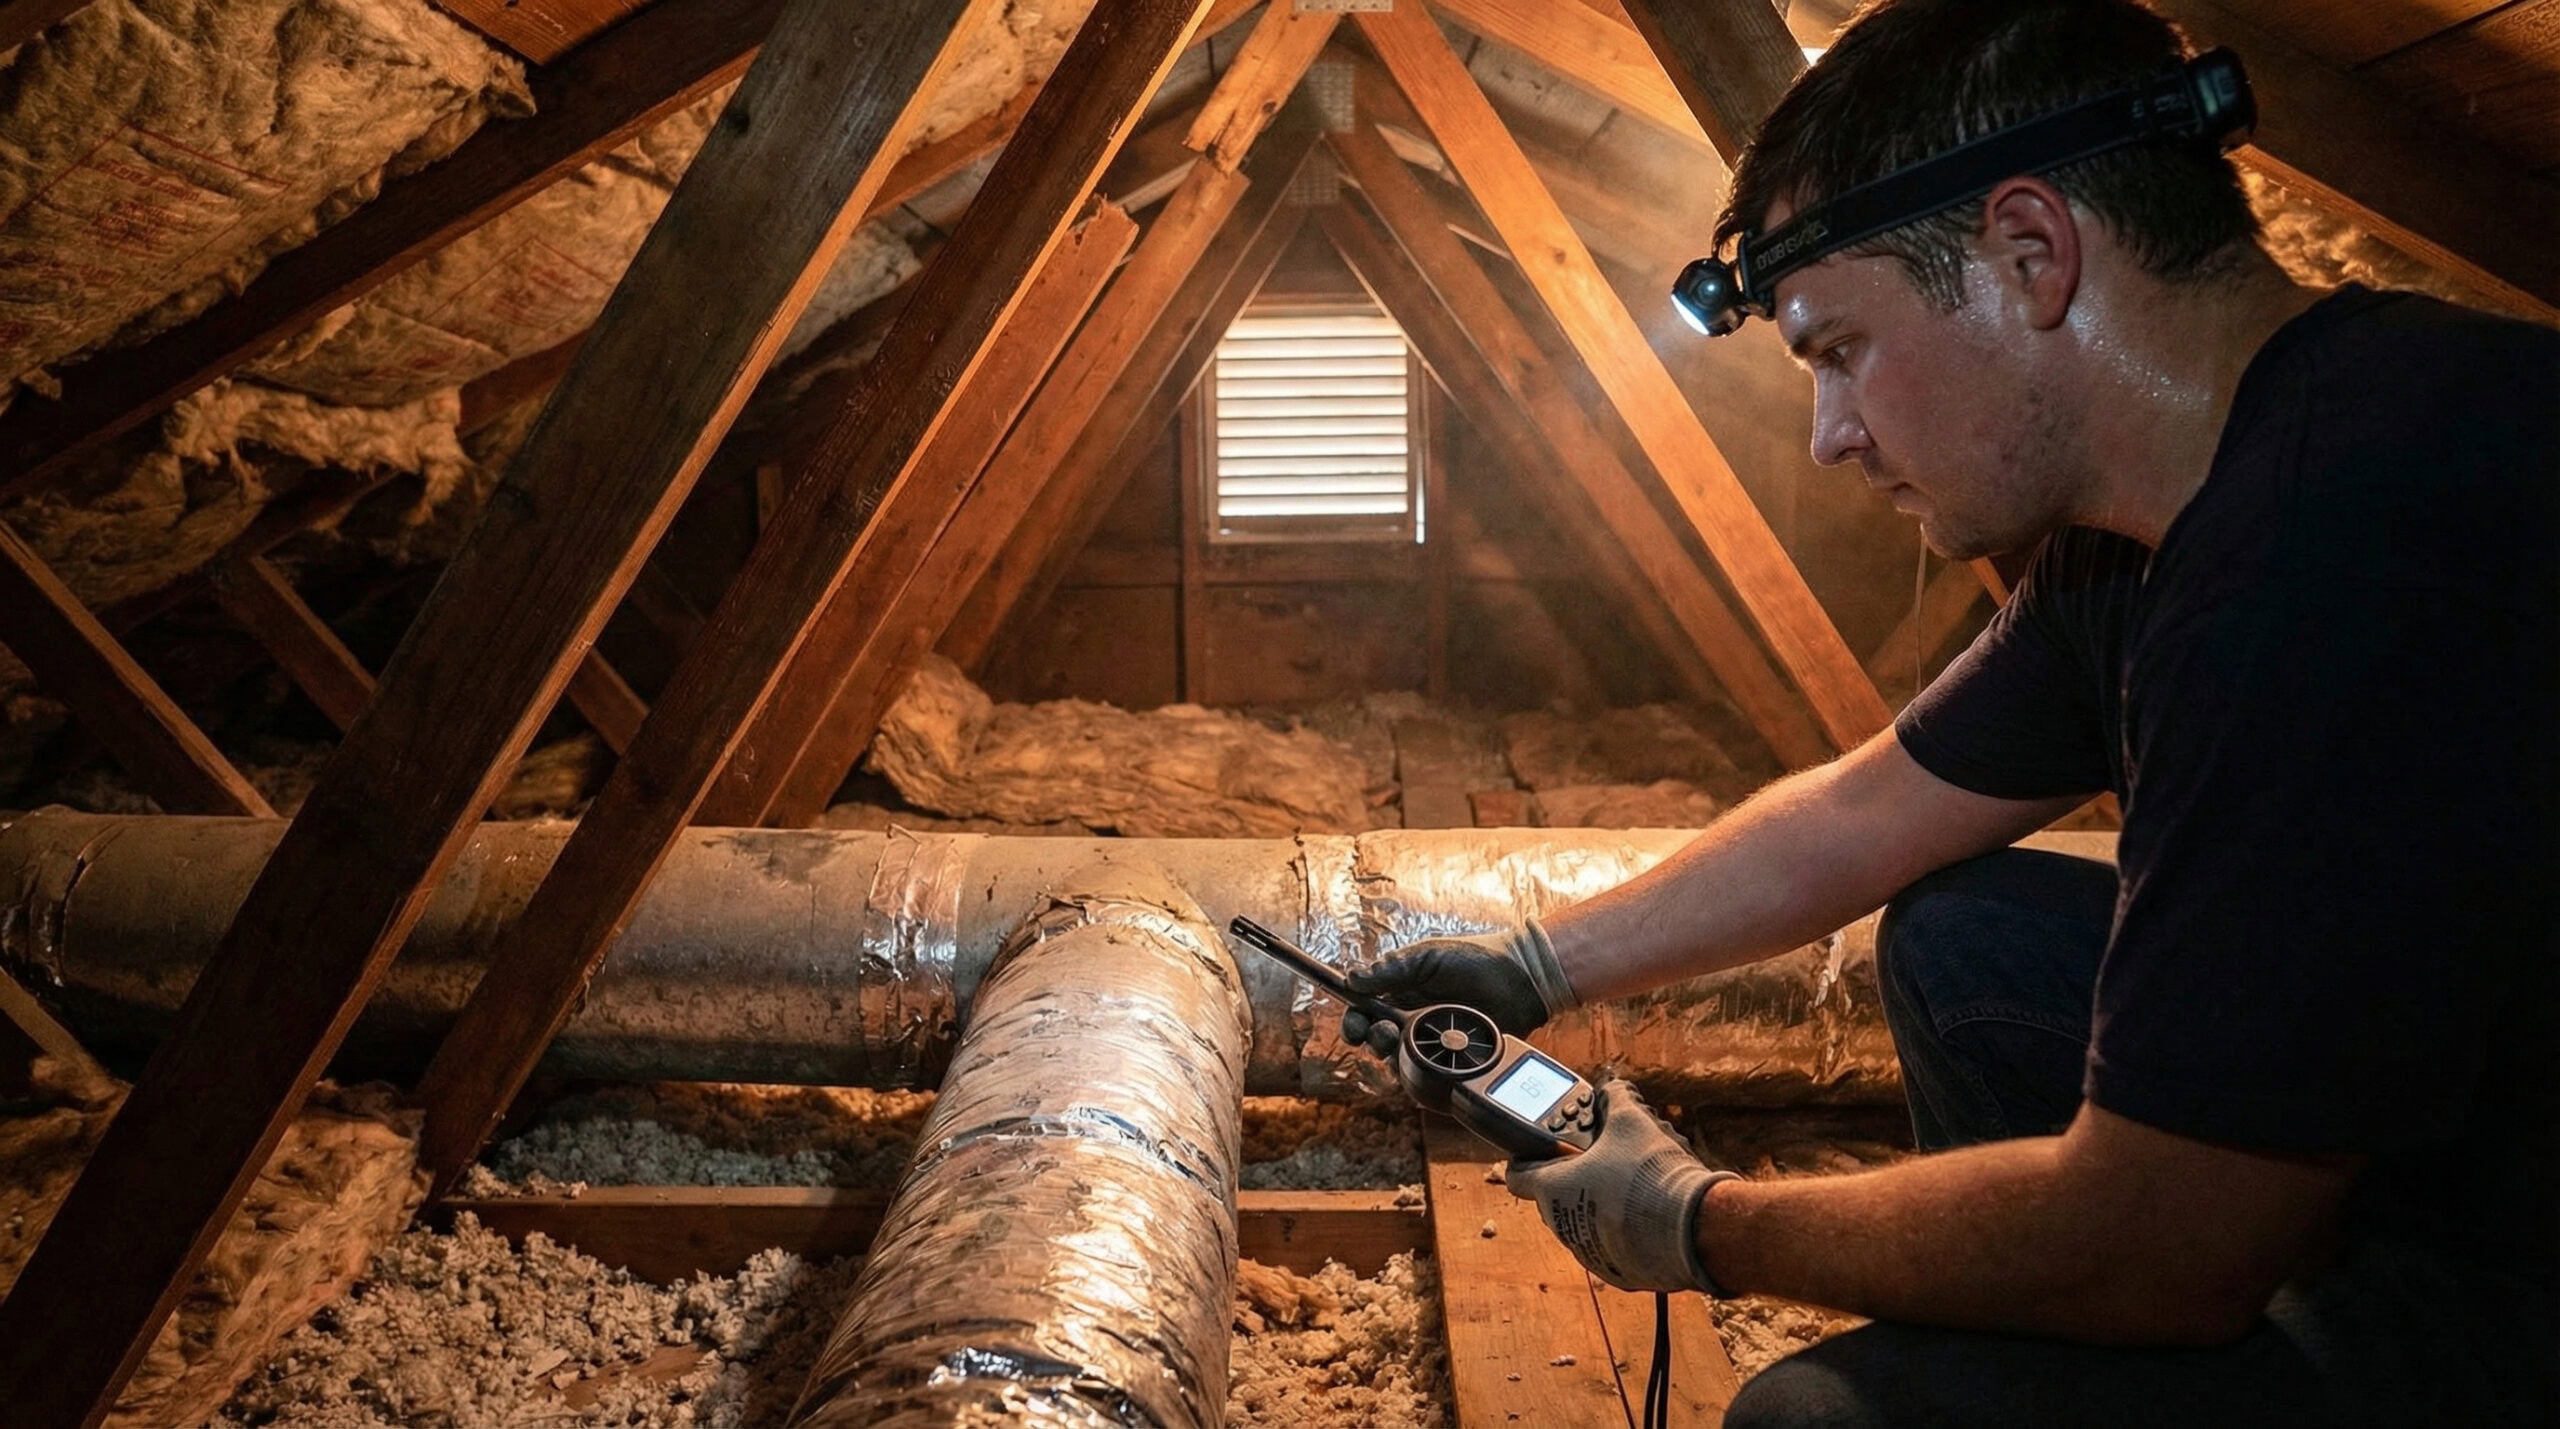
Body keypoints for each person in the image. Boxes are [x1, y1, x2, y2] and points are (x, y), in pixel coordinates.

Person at [1340, 0, 2560, 1423]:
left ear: (2031, 255)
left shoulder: (2327, 557)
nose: (1832, 434)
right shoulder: (2189, 496)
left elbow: (2165, 1241)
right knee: (1962, 941)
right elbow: (1869, 811)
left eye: (1840, 349)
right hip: (2481, 1119)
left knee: (1813, 1421)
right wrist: (1538, 963)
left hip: (2520, 1271)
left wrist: (1703, 1219)